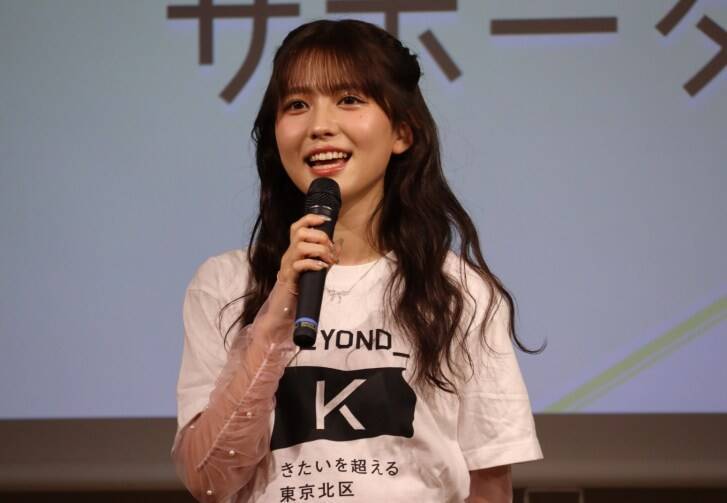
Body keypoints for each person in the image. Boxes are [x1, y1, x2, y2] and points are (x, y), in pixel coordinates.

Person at [172, 19, 542, 503]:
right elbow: (208, 480)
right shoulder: (224, 283)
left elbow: (489, 488)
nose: (319, 126)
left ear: (402, 132)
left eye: (348, 100)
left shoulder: (460, 291)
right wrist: (273, 318)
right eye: (297, 105)